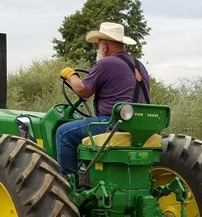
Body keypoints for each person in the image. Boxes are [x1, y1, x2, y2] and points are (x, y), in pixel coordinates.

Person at [55, 22, 151, 177]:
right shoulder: (138, 65)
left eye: (98, 46)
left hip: (113, 124)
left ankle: (68, 185)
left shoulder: (106, 63)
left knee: (63, 133)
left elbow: (82, 90)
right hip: (139, 126)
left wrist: (70, 75)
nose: (97, 50)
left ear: (104, 46)